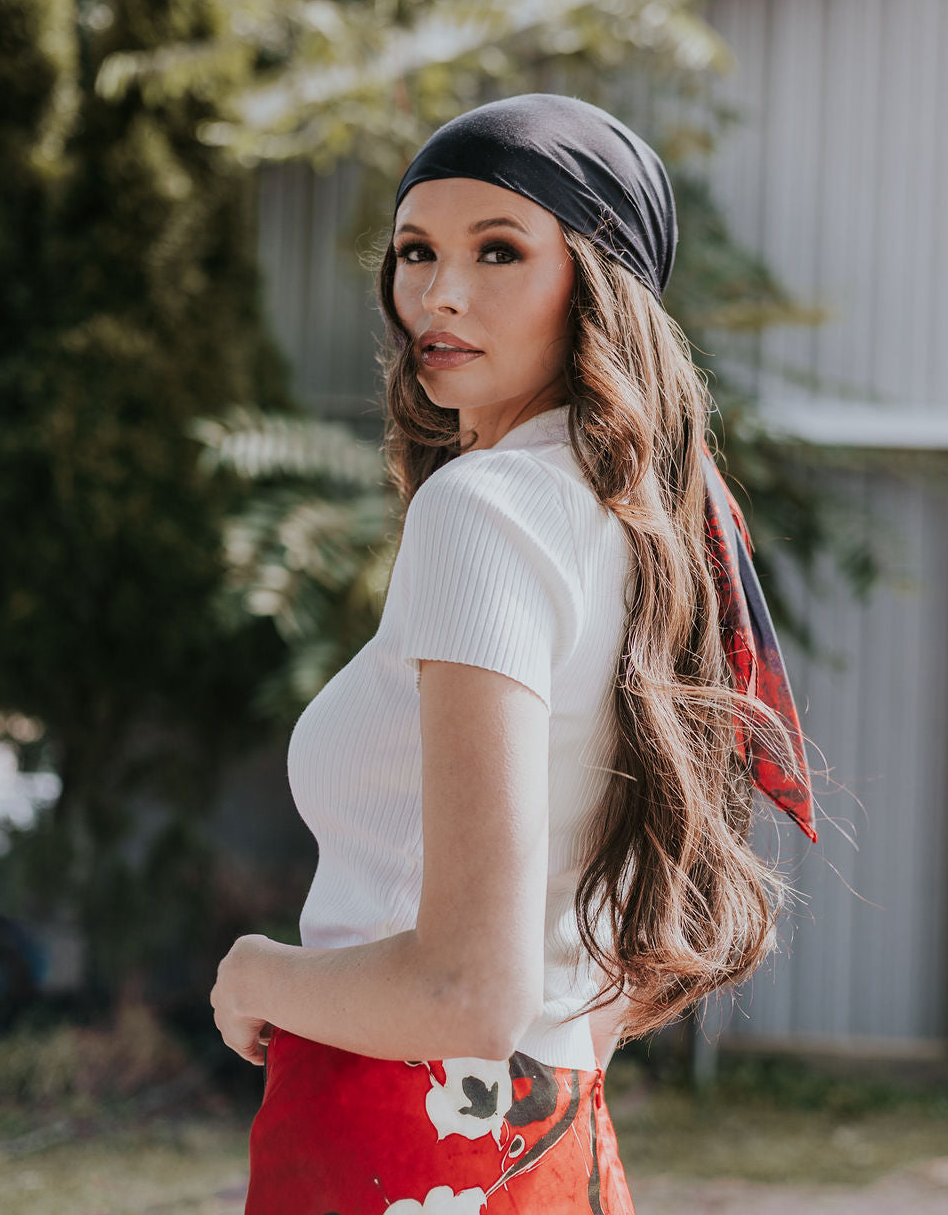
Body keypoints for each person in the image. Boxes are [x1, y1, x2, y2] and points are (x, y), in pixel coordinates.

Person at [210, 92, 818, 1215]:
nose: (438, 293)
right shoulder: (635, 526)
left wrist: (259, 974)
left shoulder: (482, 511)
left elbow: (466, 990)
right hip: (551, 1145)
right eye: (414, 251)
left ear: (595, 283)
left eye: (499, 250)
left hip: (402, 1136)